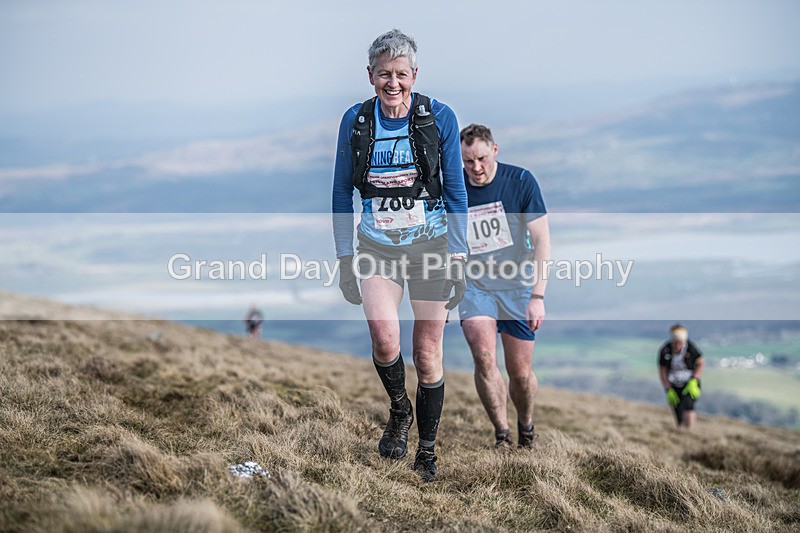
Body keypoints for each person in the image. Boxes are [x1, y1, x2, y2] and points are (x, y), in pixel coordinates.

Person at [331, 30, 468, 482]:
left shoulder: (439, 117)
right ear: (370, 75)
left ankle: (426, 452)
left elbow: (456, 191)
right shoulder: (356, 121)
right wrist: (345, 259)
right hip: (377, 247)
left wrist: (459, 256)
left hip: (431, 247)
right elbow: (341, 193)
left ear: (415, 75)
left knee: (427, 353)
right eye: (384, 74)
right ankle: (399, 410)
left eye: (401, 74)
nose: (393, 83)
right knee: (385, 340)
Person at [458, 124, 551, 449]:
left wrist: (537, 296)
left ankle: (526, 427)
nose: (476, 167)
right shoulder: (455, 186)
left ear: (494, 150)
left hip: (517, 286)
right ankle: (502, 434)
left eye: (481, 158)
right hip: (475, 286)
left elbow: (542, 241)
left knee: (520, 373)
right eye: (468, 161)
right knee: (484, 358)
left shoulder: (520, 181)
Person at [658, 323, 704, 429]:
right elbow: (662, 370)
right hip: (673, 384)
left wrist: (694, 380)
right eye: (674, 343)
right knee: (678, 411)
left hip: (689, 383)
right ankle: (680, 431)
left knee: (688, 407)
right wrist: (668, 388)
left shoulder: (690, 348)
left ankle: (690, 431)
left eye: (679, 343)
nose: (676, 346)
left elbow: (700, 362)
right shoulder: (665, 350)